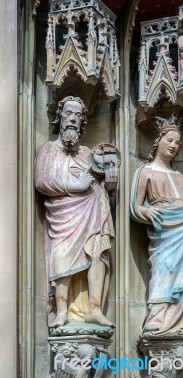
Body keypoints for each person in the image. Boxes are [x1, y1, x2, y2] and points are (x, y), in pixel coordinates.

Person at [35, 96, 118, 328]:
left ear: (83, 121)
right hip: (64, 216)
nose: (73, 118)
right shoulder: (49, 150)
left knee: (97, 254)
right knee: (62, 255)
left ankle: (93, 308)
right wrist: (75, 186)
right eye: (69, 113)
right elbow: (42, 181)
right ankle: (62, 311)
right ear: (60, 116)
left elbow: (102, 184)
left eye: (78, 115)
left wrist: (111, 183)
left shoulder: (87, 154)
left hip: (94, 212)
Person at [130, 120, 183, 337]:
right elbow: (135, 206)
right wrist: (148, 212)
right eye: (169, 140)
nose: (173, 145)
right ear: (158, 141)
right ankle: (159, 316)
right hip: (165, 232)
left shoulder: (181, 177)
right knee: (164, 271)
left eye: (178, 143)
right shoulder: (146, 171)